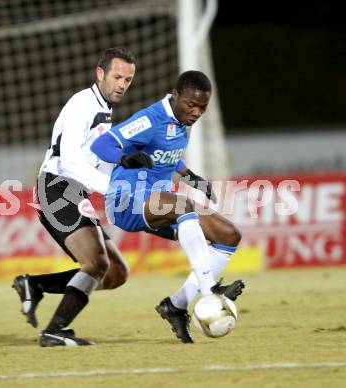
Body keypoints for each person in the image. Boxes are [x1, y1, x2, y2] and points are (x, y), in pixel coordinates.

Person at [91, 70, 245, 343]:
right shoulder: (151, 119)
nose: (197, 112)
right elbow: (101, 143)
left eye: (202, 107)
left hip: (161, 202)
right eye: (191, 105)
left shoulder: (182, 121)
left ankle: (176, 305)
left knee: (229, 235)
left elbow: (166, 156)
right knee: (183, 206)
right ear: (175, 96)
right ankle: (210, 289)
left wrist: (190, 177)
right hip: (126, 202)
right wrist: (124, 157)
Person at [12, 47, 136, 346]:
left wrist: (126, 165)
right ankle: (54, 331)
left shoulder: (104, 109)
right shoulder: (82, 104)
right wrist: (111, 188)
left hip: (72, 192)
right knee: (95, 263)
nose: (122, 84)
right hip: (55, 188)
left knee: (116, 272)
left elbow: (95, 158)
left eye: (128, 80)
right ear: (100, 73)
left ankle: (34, 285)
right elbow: (69, 161)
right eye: (117, 77)